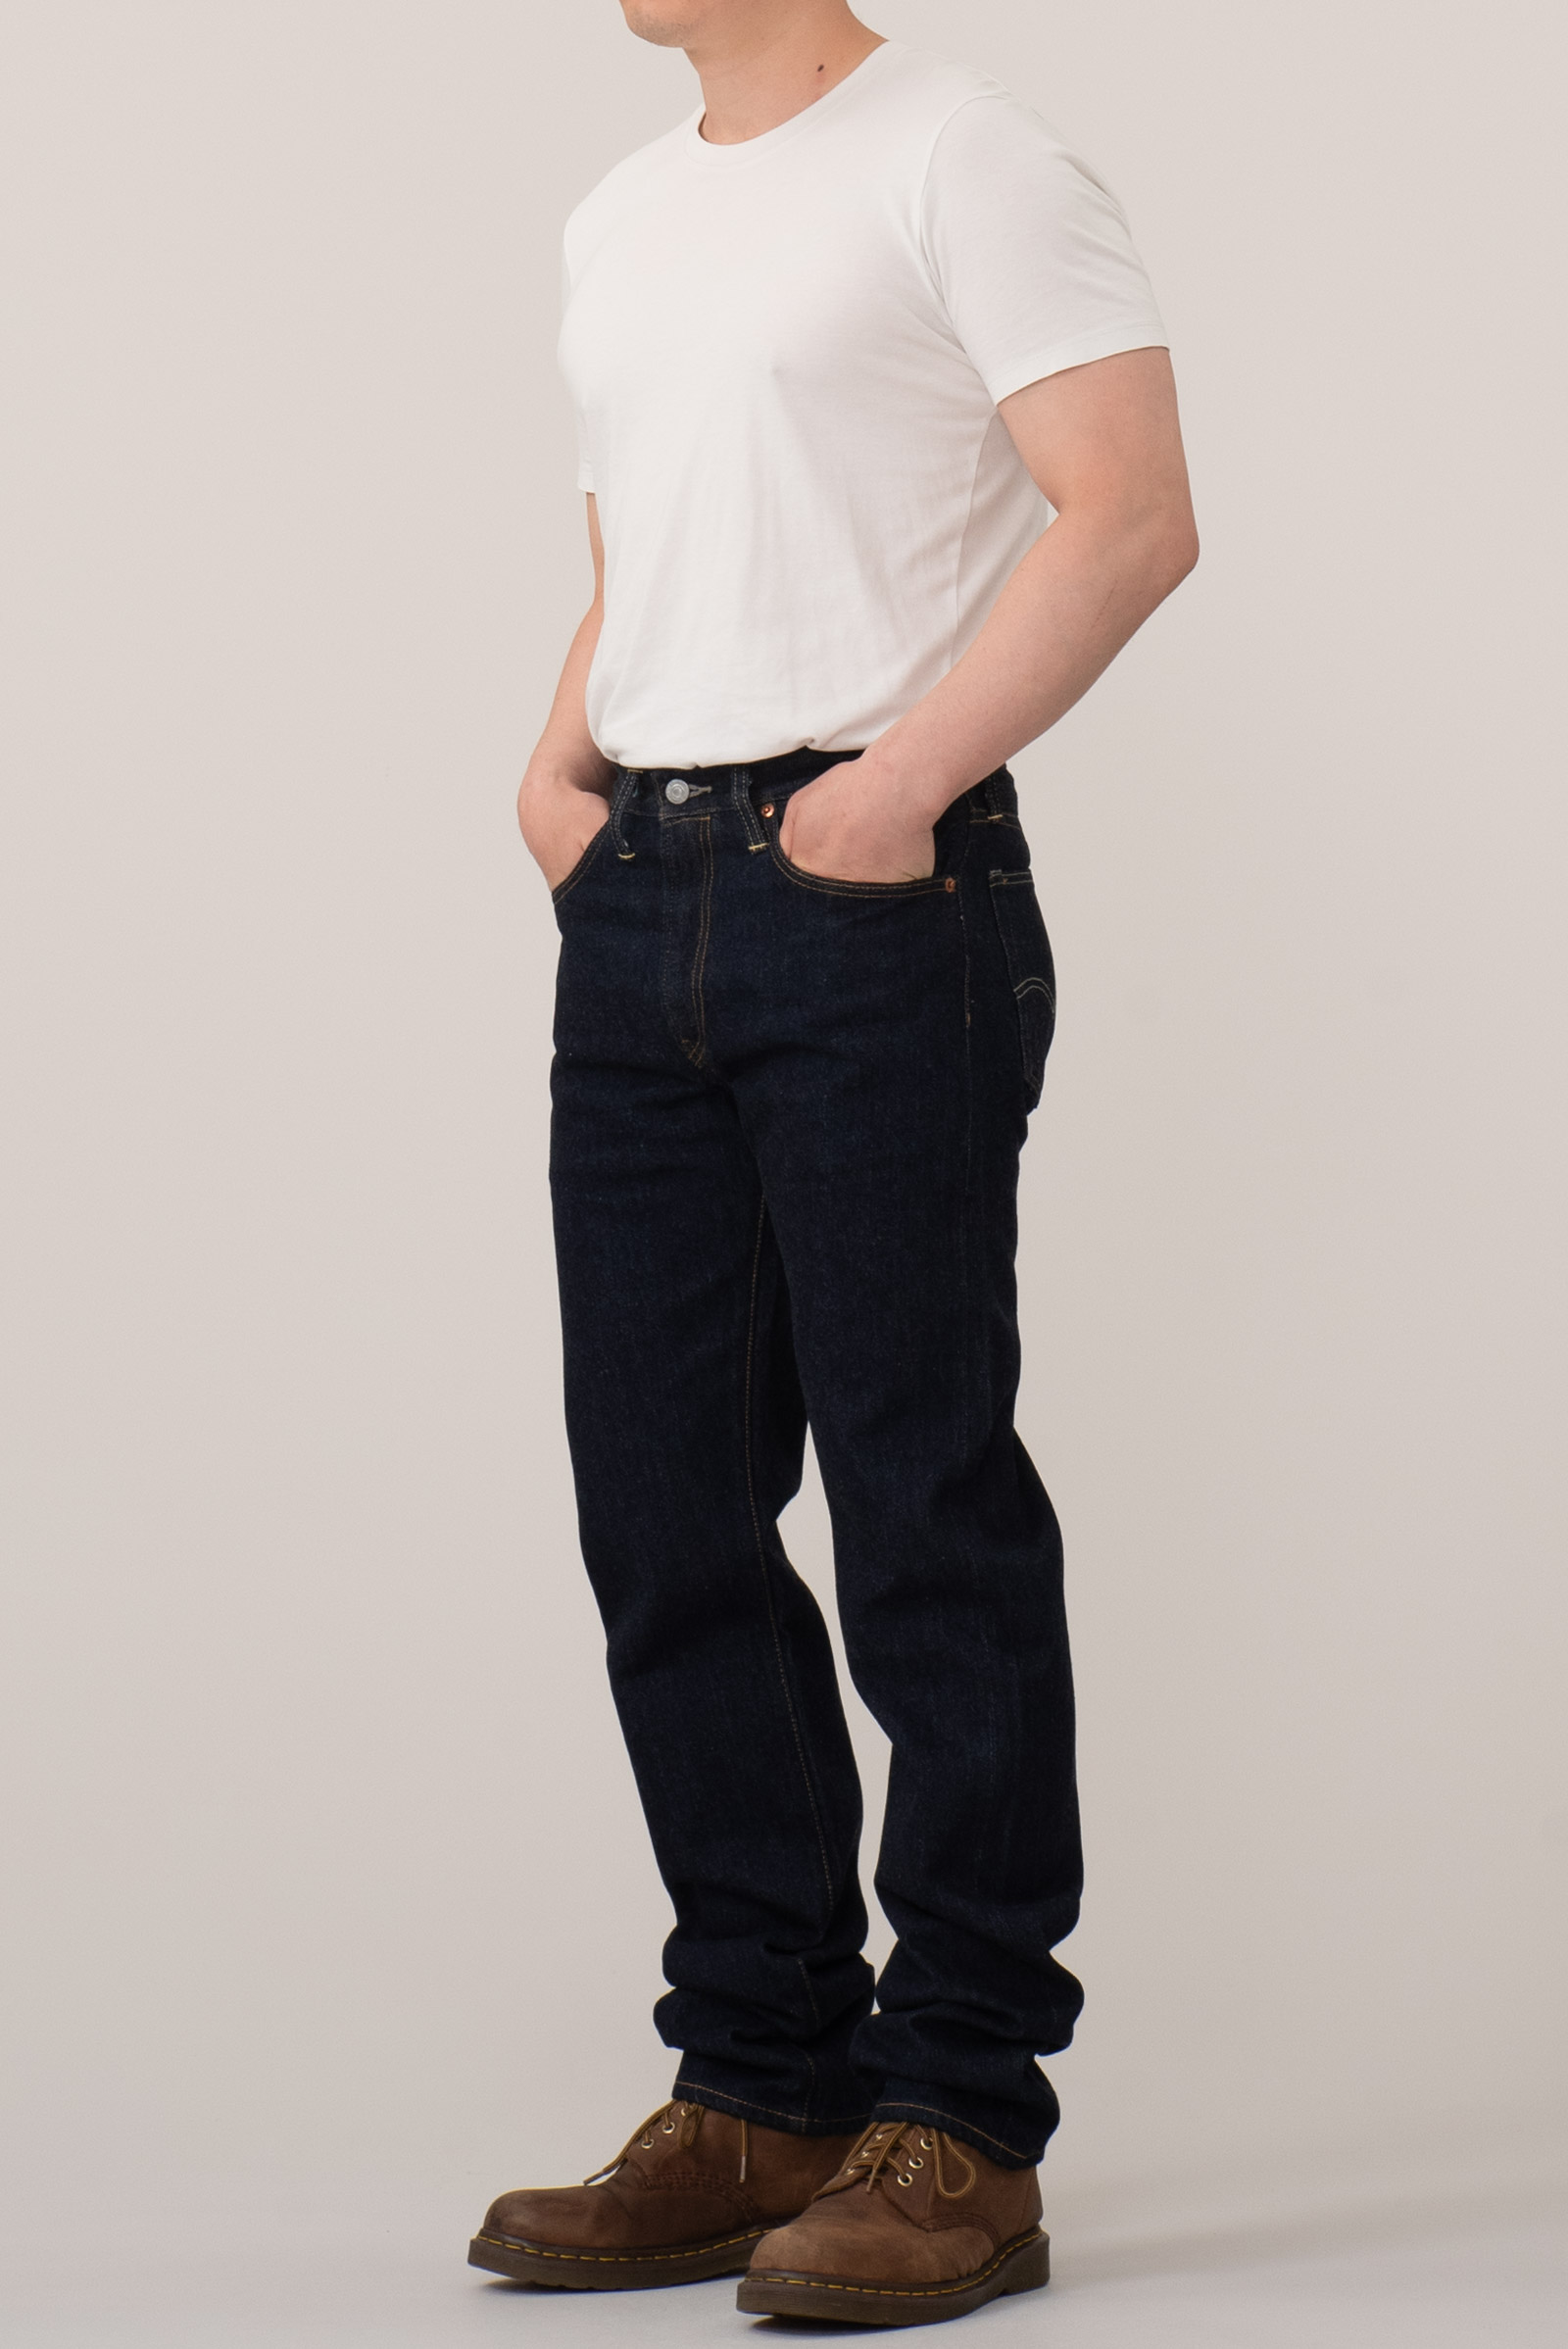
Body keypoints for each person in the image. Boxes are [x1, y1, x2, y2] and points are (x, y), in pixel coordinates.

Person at [467, 1, 1197, 2325]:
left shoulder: (957, 150)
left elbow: (1130, 510)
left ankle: (958, 2108)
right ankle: (765, 2074)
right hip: (642, 897)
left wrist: (888, 791)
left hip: (878, 898)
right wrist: (556, 771)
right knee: (663, 1503)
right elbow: (654, 541)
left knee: (917, 1495)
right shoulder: (622, 210)